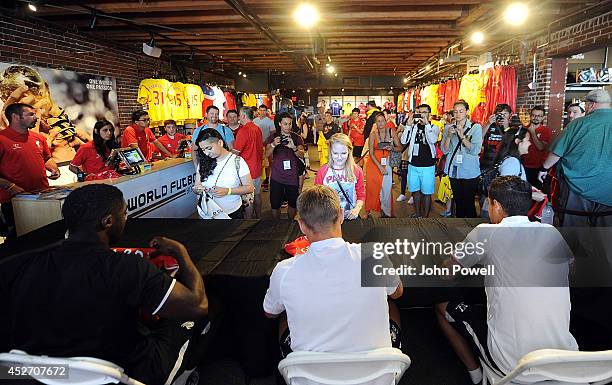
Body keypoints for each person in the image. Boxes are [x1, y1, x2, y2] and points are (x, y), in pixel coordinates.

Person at [0, 184, 210, 385]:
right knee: (183, 323)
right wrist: (180, 252)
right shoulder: (129, 268)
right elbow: (197, 306)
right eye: (125, 213)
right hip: (129, 372)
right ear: (108, 221)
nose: (126, 218)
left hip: (40, 373)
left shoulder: (17, 266)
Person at [436, 176, 578, 384]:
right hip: (564, 359)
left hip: (512, 365)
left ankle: (476, 376)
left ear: (498, 206)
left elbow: (447, 272)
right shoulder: (551, 232)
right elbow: (572, 269)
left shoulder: (486, 233)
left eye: (489, 203)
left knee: (442, 306)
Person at [263, 185, 403, 359]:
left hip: (308, 375)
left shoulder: (284, 271)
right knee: (392, 306)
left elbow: (270, 312)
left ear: (302, 226)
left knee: (284, 316)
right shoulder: (372, 256)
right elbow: (397, 293)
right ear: (341, 216)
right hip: (378, 372)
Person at [538, 89, 612, 227]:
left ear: (591, 105)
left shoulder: (578, 124)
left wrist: (543, 169)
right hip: (609, 191)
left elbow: (557, 153)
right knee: (606, 237)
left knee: (575, 233)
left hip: (578, 188)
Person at [0, 103, 60, 238]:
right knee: (20, 243)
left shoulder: (39, 138)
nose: (36, 117)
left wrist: (54, 168)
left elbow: (46, 159)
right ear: (15, 117)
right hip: (15, 202)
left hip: (43, 196)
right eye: (31, 114)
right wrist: (10, 186)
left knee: (47, 237)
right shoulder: (2, 139)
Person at [193, 128, 254, 219]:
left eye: (209, 148)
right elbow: (196, 186)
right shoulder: (203, 162)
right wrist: (197, 189)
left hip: (232, 213)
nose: (206, 153)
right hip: (208, 213)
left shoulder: (237, 161)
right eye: (203, 150)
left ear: (220, 143)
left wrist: (227, 191)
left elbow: (249, 188)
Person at [441, 100, 483, 218]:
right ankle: (459, 230)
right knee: (458, 201)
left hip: (470, 171)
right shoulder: (448, 128)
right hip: (454, 170)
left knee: (469, 202)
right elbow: (444, 150)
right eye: (455, 112)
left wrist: (462, 136)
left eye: (461, 111)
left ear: (467, 112)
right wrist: (449, 136)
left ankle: (471, 231)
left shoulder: (476, 127)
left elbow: (475, 150)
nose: (458, 114)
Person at [400, 104, 439, 218]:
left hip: (428, 166)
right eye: (420, 112)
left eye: (425, 112)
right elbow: (403, 140)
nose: (422, 115)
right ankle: (417, 213)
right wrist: (408, 125)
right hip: (413, 164)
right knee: (415, 191)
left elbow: (433, 139)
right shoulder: (413, 127)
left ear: (429, 114)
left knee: (427, 192)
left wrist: (426, 124)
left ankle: (425, 217)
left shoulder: (433, 127)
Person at [480, 128, 530, 217]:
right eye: (528, 140)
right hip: (499, 213)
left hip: (497, 210)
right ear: (518, 141)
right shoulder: (512, 162)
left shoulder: (510, 159)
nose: (530, 143)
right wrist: (533, 195)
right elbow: (503, 190)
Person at [315, 133, 365, 220]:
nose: (339, 157)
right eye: (335, 153)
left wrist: (357, 209)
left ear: (349, 152)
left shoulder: (356, 171)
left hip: (350, 216)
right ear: (330, 152)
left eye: (343, 153)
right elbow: (317, 196)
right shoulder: (323, 171)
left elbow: (361, 195)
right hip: (329, 219)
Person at [265, 112, 305, 220]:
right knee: (275, 204)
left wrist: (294, 147)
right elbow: (265, 154)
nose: (288, 126)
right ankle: (275, 225)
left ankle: (290, 223)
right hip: (277, 177)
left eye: (290, 124)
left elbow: (302, 154)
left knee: (293, 204)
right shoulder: (273, 137)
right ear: (279, 124)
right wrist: (273, 144)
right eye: (285, 124)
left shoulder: (296, 138)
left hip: (292, 177)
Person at [365, 112, 402, 218]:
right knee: (372, 188)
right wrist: (380, 167)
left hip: (387, 162)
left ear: (386, 121)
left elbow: (400, 147)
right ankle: (368, 211)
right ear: (375, 123)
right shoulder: (373, 134)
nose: (381, 123)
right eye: (378, 121)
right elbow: (371, 153)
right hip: (374, 164)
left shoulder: (391, 132)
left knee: (386, 187)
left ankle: (386, 211)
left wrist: (392, 148)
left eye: (382, 121)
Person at [233, 107, 263, 219]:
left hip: (246, 170)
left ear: (244, 116)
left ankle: (248, 223)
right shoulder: (257, 128)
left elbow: (236, 152)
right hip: (257, 167)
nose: (238, 117)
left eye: (239, 115)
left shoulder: (243, 130)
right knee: (257, 195)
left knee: (247, 198)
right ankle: (259, 217)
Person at [522, 106, 551, 189]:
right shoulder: (523, 129)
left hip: (538, 167)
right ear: (530, 116)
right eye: (534, 115)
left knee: (537, 192)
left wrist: (533, 133)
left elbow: (541, 147)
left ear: (543, 118)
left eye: (539, 116)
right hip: (524, 165)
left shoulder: (546, 130)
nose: (535, 118)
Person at [480, 104, 512, 172]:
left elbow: (510, 144)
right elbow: (479, 137)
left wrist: (506, 127)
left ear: (510, 115)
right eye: (500, 114)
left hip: (502, 165)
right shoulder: (490, 126)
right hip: (487, 164)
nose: (502, 116)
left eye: (505, 114)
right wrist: (488, 123)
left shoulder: (512, 128)